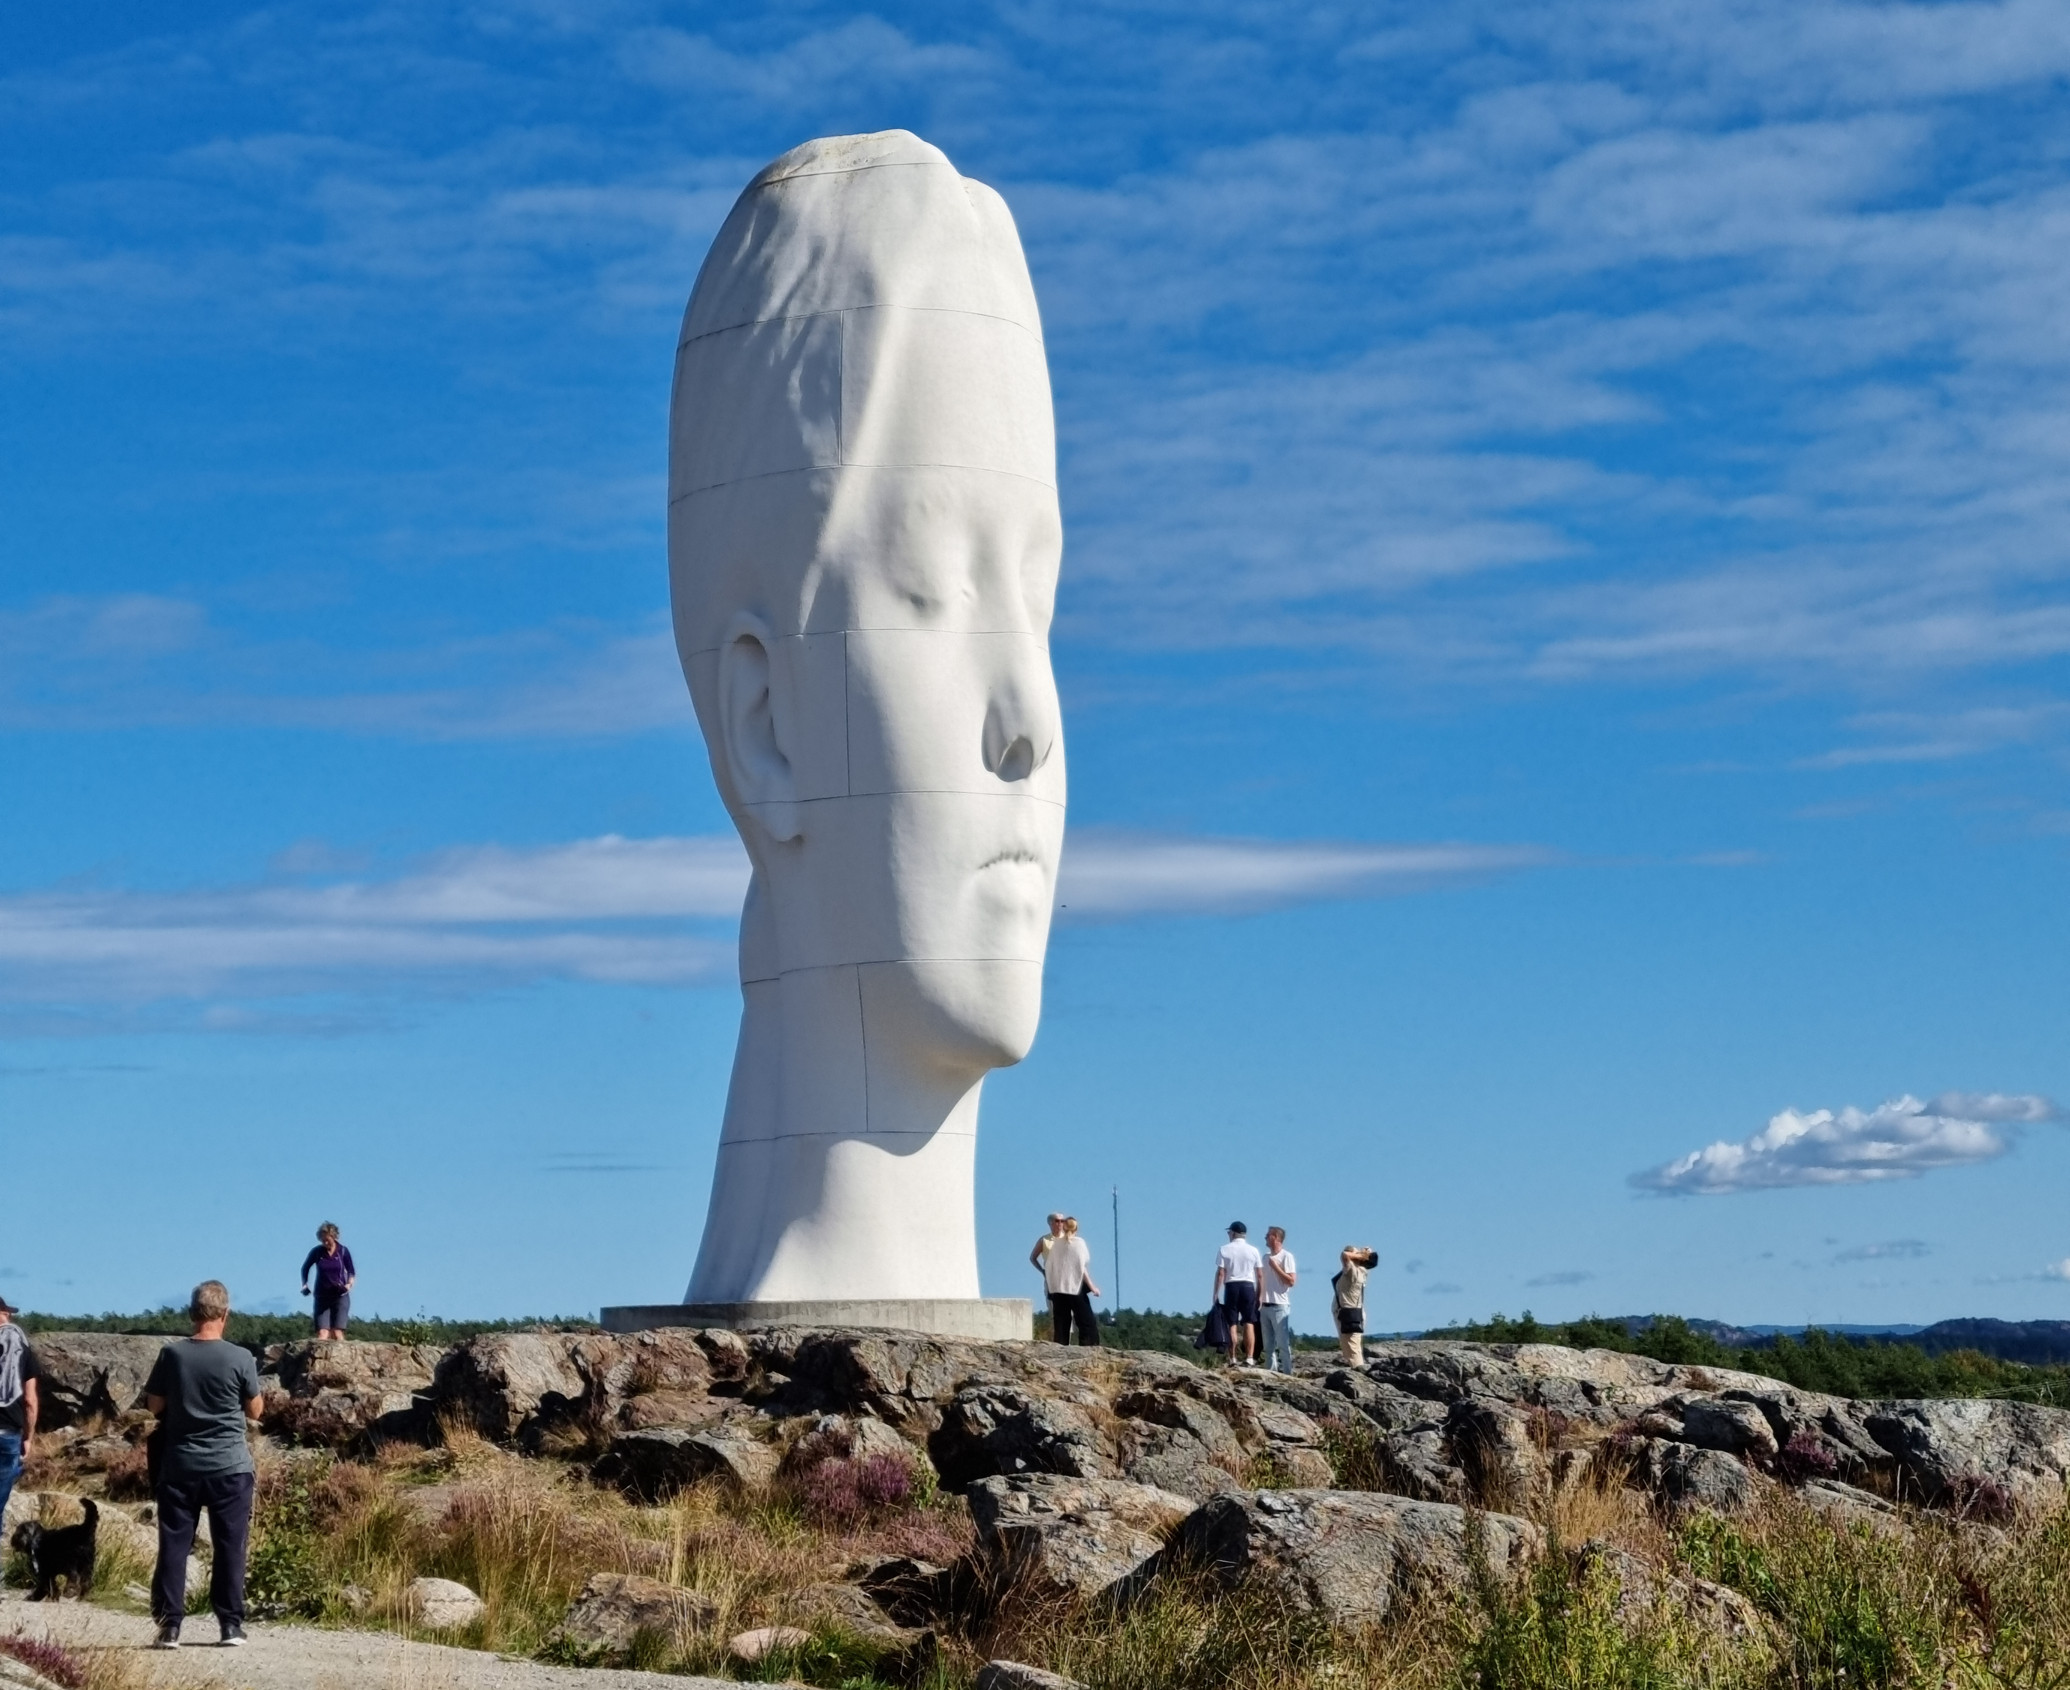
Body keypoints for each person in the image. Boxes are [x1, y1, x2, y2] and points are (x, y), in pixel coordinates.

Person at [144, 1281, 264, 1649]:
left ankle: (170, 1626)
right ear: (225, 1314)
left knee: (174, 1546)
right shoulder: (241, 1357)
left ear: (192, 1313)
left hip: (180, 1465)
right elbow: (255, 1411)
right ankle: (230, 1625)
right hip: (230, 1466)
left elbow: (154, 1405)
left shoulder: (172, 1355)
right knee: (230, 1547)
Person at [0, 1295, 42, 1533]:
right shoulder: (21, 1350)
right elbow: (29, 1400)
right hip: (7, 1433)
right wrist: (28, 1437)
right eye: (7, 1313)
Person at [1043, 1215, 1102, 1344]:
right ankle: (1088, 1348)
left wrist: (1051, 1288)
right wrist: (1092, 1287)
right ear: (1076, 1228)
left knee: (1061, 1324)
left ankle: (1060, 1348)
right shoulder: (1079, 1243)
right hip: (1074, 1287)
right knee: (1086, 1322)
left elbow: (1049, 1265)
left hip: (1058, 1289)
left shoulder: (1056, 1244)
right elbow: (1081, 1268)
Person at [1213, 1222, 1264, 1366]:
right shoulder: (1253, 1250)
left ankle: (1233, 1358)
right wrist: (1259, 1294)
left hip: (1231, 1286)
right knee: (1249, 1322)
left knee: (1232, 1323)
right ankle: (1249, 1357)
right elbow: (1260, 1275)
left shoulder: (1224, 1249)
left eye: (1229, 1232)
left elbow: (1221, 1273)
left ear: (1234, 1233)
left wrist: (1216, 1293)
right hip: (1248, 1286)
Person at [300, 1222, 356, 1340]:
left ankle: (341, 1352)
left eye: (327, 1240)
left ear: (334, 1237)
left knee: (337, 1332)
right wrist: (304, 1284)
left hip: (340, 1295)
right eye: (323, 1240)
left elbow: (351, 1271)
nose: (325, 1243)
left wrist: (349, 1284)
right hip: (322, 1296)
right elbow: (305, 1268)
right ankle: (320, 1352)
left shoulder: (343, 1251)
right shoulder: (317, 1252)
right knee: (323, 1333)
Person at [1332, 1246, 1380, 1366]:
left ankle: (1358, 1371)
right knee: (1351, 1347)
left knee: (1352, 1350)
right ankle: (1356, 1369)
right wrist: (1365, 1253)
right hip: (1353, 1313)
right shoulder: (1362, 1271)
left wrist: (1361, 1255)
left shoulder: (1352, 1272)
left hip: (1348, 1314)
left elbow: (1344, 1255)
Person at [1259, 1227, 1297, 1374]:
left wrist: (1275, 1267)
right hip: (1265, 1305)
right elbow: (1261, 1280)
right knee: (1268, 1346)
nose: (1265, 1237)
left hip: (1280, 1305)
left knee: (1282, 1343)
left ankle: (1288, 1373)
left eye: (1268, 1235)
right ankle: (1271, 1374)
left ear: (1275, 1237)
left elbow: (1291, 1281)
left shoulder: (1287, 1256)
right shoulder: (1264, 1257)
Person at [1028, 1213, 1065, 1278]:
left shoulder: (1069, 1239)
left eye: (1062, 1221)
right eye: (1057, 1221)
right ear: (1050, 1223)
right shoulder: (1044, 1240)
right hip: (1051, 1276)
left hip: (1068, 1275)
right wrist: (1042, 1271)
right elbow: (1032, 1258)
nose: (1060, 1223)